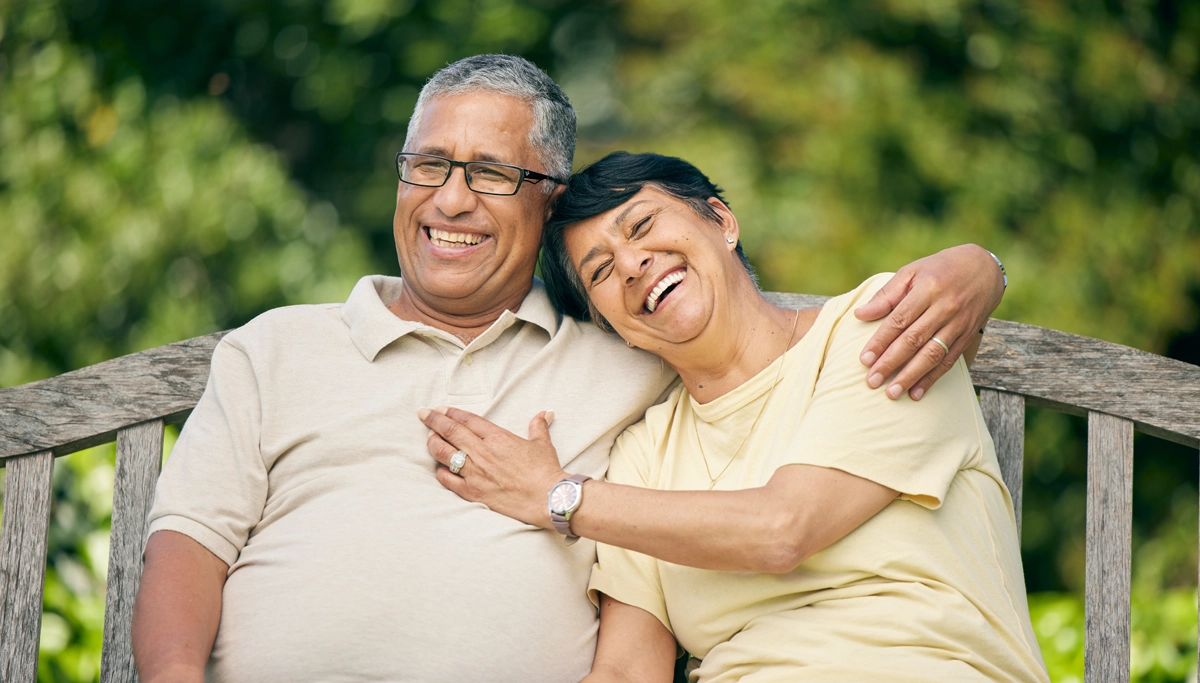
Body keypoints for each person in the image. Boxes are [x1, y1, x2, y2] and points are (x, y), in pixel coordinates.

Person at [132, 55, 1009, 682]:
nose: (449, 198)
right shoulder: (277, 350)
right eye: (428, 165)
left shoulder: (864, 334)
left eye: (488, 172)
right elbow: (189, 540)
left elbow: (781, 508)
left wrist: (978, 268)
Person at [420, 152, 1047, 681]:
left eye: (642, 226)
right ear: (612, 328)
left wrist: (556, 496)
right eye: (602, 271)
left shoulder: (876, 330)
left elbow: (784, 528)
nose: (632, 265)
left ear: (721, 220)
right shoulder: (644, 457)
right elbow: (627, 672)